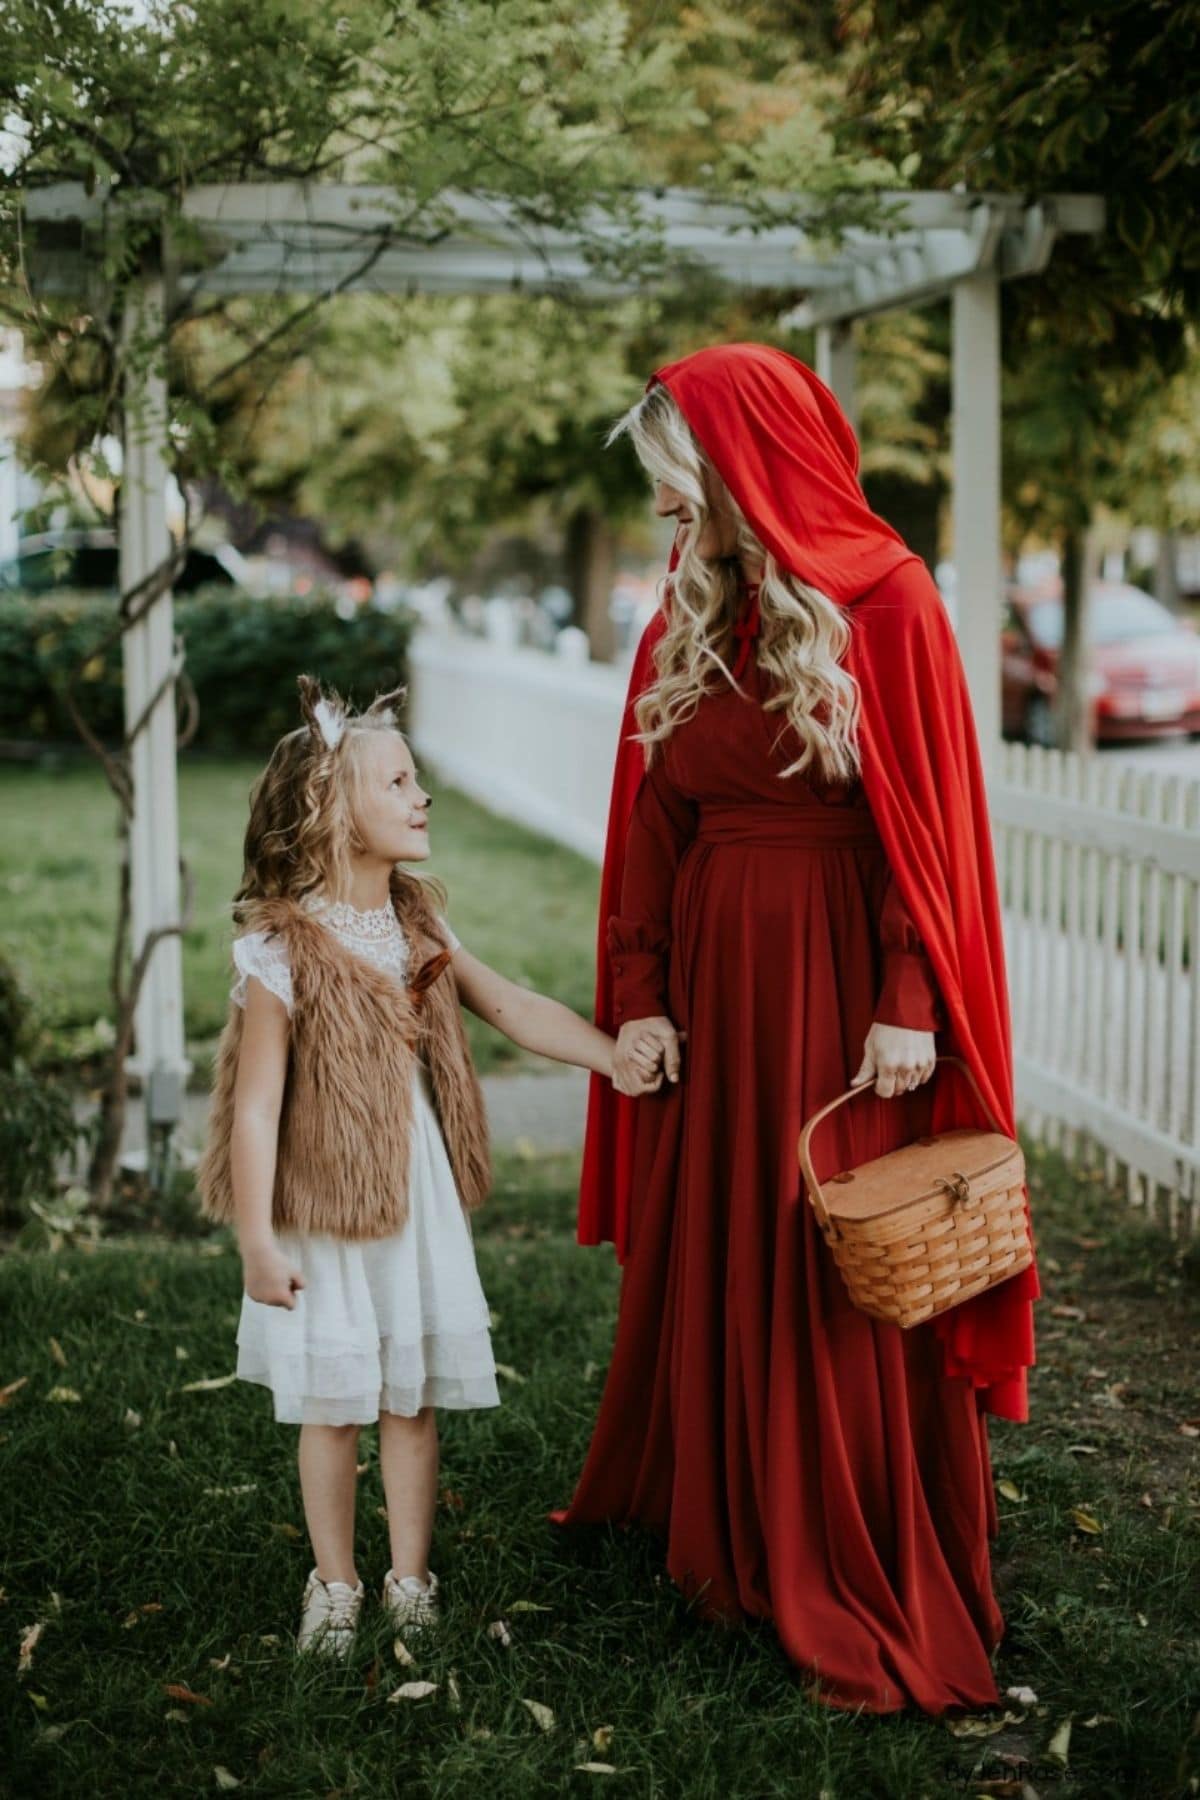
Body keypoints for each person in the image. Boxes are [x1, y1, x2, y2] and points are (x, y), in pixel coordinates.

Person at [549, 343, 1042, 1716]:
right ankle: (725, 1524)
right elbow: (649, 824)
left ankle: (841, 1543)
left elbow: (924, 833)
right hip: (716, 984)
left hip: (840, 991)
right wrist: (638, 991)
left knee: (833, 1257)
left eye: (676, 485)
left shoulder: (885, 601)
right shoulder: (686, 613)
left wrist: (907, 1002)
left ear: (740, 465)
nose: (662, 514)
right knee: (729, 1241)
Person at [196, 674, 659, 1661]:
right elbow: (255, 1103)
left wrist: (609, 1053)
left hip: (412, 1199)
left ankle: (410, 1579)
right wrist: (255, 1239)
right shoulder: (281, 951)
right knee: (335, 1405)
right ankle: (336, 1584)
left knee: (409, 1396)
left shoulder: (418, 925)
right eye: (399, 783)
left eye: (417, 781)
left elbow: (511, 1006)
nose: (423, 797)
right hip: (323, 1206)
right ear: (335, 811)